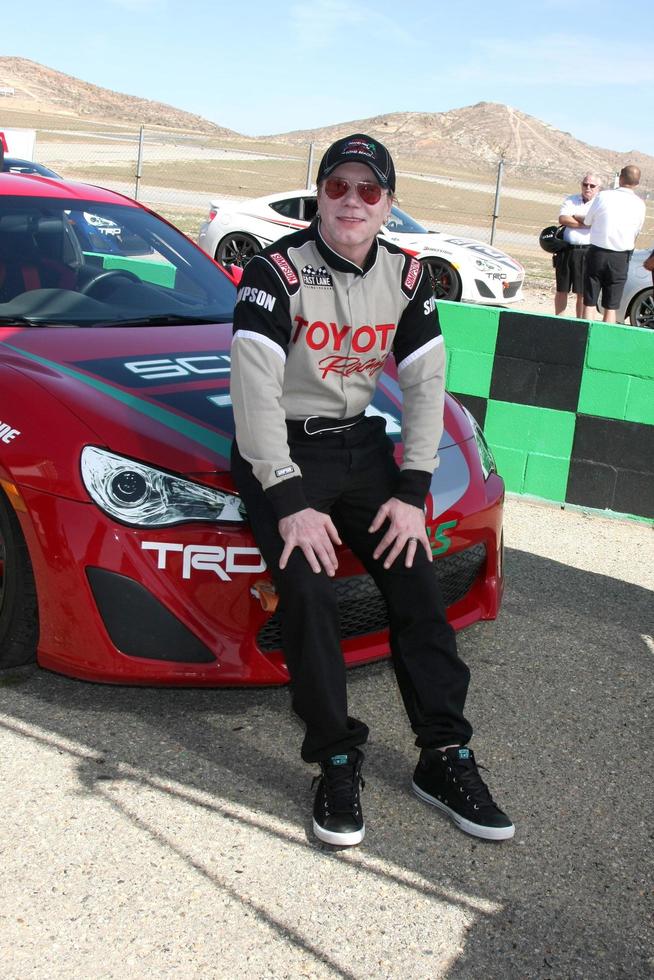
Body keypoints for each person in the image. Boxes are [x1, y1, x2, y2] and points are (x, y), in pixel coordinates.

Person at [229, 133, 514, 848]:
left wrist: (413, 489)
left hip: (360, 444)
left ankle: (444, 755)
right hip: (281, 452)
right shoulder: (274, 272)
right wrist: (289, 502)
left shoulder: (409, 275)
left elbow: (424, 384)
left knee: (416, 586)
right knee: (311, 592)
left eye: (368, 189)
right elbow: (253, 396)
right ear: (319, 195)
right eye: (338, 187)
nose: (352, 201)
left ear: (388, 203)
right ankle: (334, 758)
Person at [580, 165, 646, 323]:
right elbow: (637, 230)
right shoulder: (640, 204)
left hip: (597, 253)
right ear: (637, 183)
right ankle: (605, 340)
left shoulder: (604, 196)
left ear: (620, 178)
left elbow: (588, 220)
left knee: (589, 301)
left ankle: (585, 335)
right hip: (621, 257)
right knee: (611, 305)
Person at [554, 173, 602, 317]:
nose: (588, 188)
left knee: (582, 291)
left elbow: (597, 223)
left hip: (587, 251)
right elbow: (563, 218)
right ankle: (559, 320)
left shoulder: (600, 203)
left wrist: (575, 217)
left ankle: (579, 322)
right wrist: (585, 223)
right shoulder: (571, 199)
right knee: (562, 288)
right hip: (567, 249)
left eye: (592, 186)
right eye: (585, 184)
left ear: (598, 188)